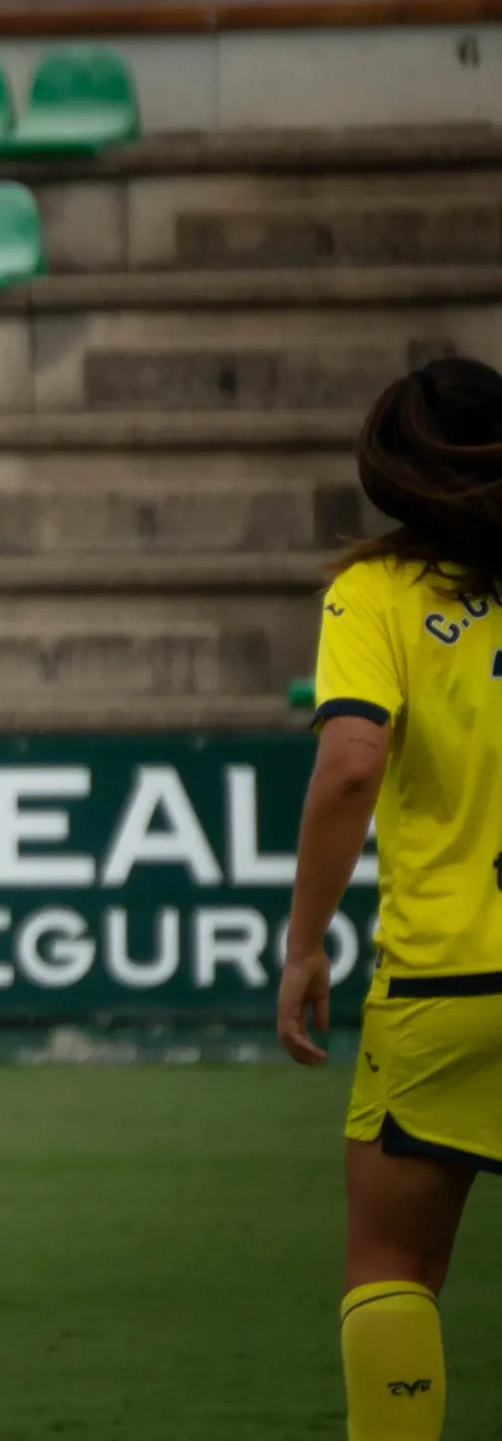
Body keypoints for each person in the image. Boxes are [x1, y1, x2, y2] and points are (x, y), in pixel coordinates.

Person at [279, 356, 502, 1441]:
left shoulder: (372, 592)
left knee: (390, 1268)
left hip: (452, 975)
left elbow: (352, 762)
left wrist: (303, 942)